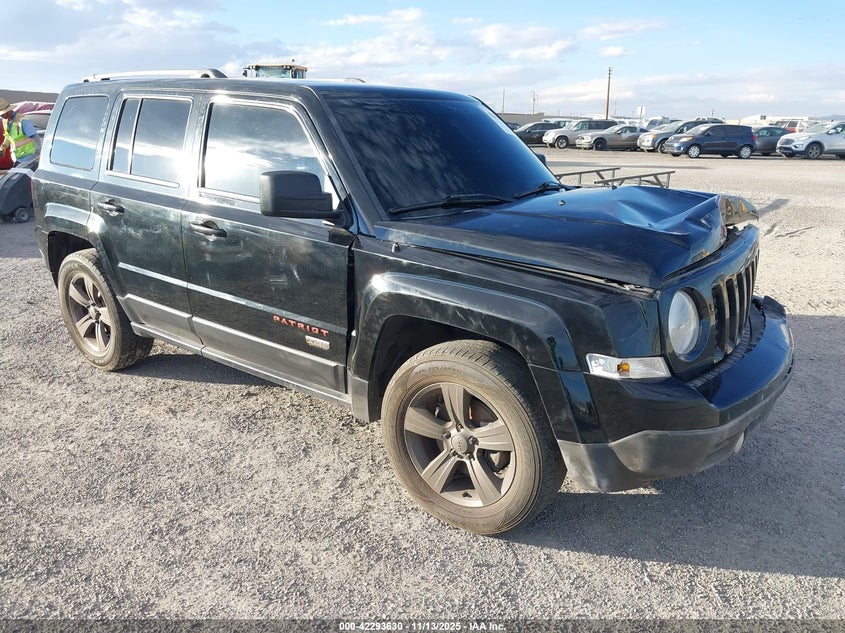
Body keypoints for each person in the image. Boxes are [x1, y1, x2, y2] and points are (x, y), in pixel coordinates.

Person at [0, 97, 39, 167]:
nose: (1, 116)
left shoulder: (23, 121)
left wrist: (38, 155)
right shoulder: (5, 121)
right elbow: (8, 136)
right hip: (17, 157)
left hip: (29, 157)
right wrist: (3, 148)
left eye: (2, 114)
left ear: (8, 111)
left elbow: (34, 137)